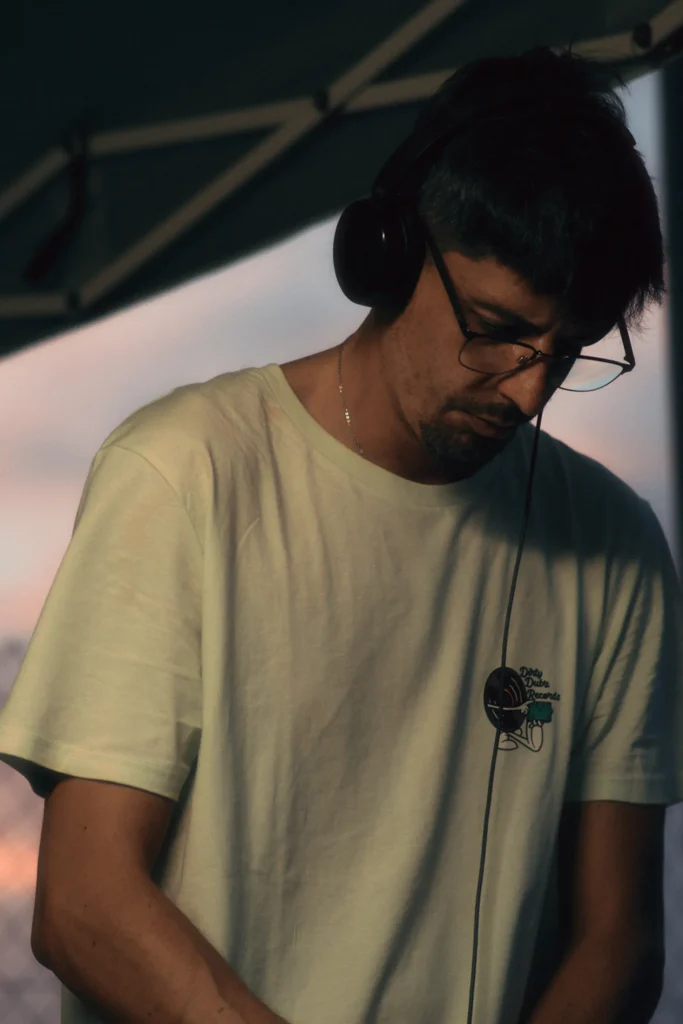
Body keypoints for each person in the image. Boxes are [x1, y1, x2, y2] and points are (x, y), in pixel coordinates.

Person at [0, 45, 681, 1024]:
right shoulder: (181, 474)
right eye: (492, 327)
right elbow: (83, 905)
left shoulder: (614, 548)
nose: (528, 391)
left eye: (564, 351)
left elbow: (617, 941)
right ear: (388, 252)